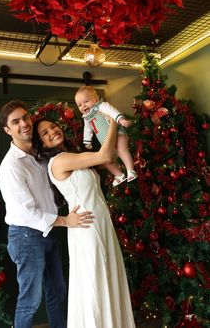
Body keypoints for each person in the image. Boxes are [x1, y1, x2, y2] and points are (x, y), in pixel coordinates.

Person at [32, 114, 136, 328]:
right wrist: (113, 121)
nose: (53, 131)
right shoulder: (59, 161)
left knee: (108, 278)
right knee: (95, 284)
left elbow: (108, 159)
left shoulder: (72, 155)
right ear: (41, 143)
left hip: (101, 224)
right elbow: (105, 154)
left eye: (53, 126)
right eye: (45, 133)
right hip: (88, 228)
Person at [0, 100, 94, 328]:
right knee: (30, 301)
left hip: (48, 232)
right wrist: (66, 221)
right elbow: (27, 212)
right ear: (7, 130)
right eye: (15, 121)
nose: (23, 124)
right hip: (26, 236)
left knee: (57, 293)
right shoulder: (11, 166)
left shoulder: (40, 155)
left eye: (25, 117)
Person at [75, 85, 137, 186]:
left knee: (122, 150)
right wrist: (87, 141)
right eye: (79, 105)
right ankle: (119, 175)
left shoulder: (102, 106)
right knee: (106, 159)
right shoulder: (86, 117)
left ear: (95, 99)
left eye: (86, 101)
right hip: (106, 141)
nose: (83, 106)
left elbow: (112, 112)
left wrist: (121, 120)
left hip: (118, 133)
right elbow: (87, 130)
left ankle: (131, 170)